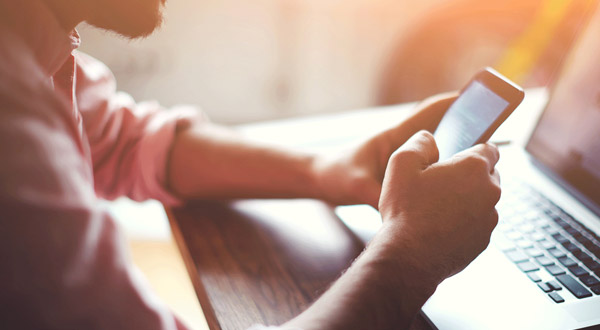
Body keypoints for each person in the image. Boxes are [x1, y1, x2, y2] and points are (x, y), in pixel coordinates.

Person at [0, 0, 501, 329]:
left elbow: (119, 139)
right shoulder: (10, 111)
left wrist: (328, 170)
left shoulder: (29, 42)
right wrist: (411, 258)